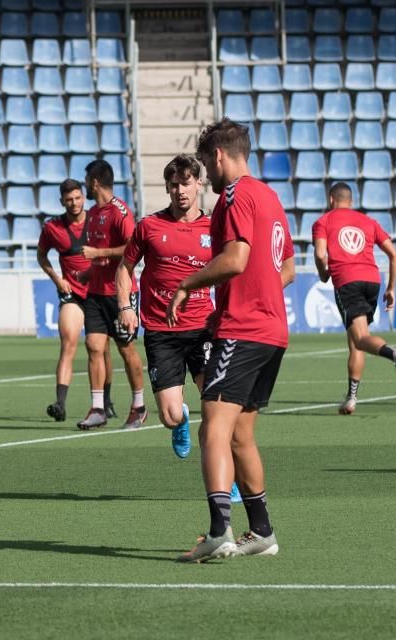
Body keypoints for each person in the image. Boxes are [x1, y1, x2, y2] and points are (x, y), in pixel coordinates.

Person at [167, 118, 295, 562]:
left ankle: (219, 530)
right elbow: (287, 269)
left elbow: (236, 258)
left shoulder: (236, 195)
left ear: (219, 156)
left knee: (213, 429)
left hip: (243, 330)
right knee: (241, 435)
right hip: (273, 332)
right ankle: (262, 532)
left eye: (205, 162)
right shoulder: (271, 197)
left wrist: (188, 284)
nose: (206, 171)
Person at [117, 155, 211, 459]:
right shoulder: (149, 226)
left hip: (204, 329)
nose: (180, 190)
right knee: (169, 417)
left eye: (186, 183)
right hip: (162, 330)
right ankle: (180, 419)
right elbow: (124, 267)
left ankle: (227, 476)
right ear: (167, 188)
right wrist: (125, 307)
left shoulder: (216, 227)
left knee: (219, 408)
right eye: (174, 185)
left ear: (199, 183)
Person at [312, 182, 396, 415]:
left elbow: (319, 253)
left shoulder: (323, 222)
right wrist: (391, 288)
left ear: (331, 200)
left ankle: (394, 353)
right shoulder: (368, 221)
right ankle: (351, 399)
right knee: (355, 341)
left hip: (347, 281)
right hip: (372, 281)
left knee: (361, 338)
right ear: (352, 201)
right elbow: (394, 255)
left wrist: (323, 273)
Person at [37, 179, 117, 422]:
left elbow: (112, 251)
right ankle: (60, 404)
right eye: (68, 199)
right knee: (68, 342)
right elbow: (42, 256)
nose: (74, 203)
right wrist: (57, 279)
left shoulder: (97, 220)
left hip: (98, 292)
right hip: (71, 294)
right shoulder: (52, 227)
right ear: (62, 201)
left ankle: (106, 400)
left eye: (77, 198)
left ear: (84, 197)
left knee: (102, 349)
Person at [77, 159, 147, 431]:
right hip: (95, 291)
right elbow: (101, 252)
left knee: (126, 348)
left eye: (86, 180)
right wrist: (89, 270)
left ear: (94, 182)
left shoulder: (120, 212)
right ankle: (97, 408)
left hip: (121, 293)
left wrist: (98, 254)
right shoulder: (93, 213)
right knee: (94, 346)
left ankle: (139, 407)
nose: (85, 185)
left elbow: (132, 247)